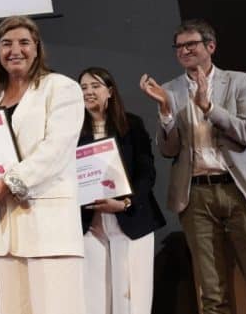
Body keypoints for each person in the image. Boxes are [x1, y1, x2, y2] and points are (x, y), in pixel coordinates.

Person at [139, 19, 246, 314]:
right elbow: (168, 150)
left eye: (190, 44)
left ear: (210, 46)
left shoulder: (237, 81)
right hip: (196, 197)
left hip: (241, 193)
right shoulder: (169, 89)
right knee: (212, 295)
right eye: (179, 46)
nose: (184, 51)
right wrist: (166, 113)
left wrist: (209, 108)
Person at [0, 15, 86, 314]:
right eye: (6, 43)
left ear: (37, 48)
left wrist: (6, 184)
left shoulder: (61, 87)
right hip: (6, 230)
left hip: (48, 224)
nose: (14, 50)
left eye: (23, 42)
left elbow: (56, 150)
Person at [77, 67, 165, 314]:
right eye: (83, 87)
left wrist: (126, 202)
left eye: (95, 86)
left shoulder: (131, 124)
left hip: (131, 218)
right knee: (94, 300)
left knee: (131, 296)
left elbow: (147, 172)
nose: (88, 92)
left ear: (110, 92)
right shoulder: (73, 131)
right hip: (90, 224)